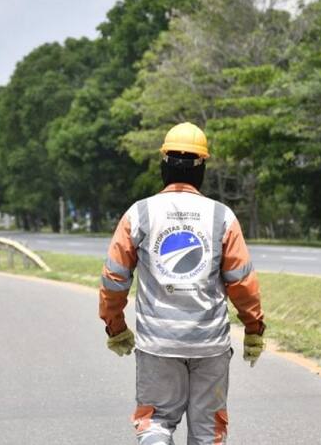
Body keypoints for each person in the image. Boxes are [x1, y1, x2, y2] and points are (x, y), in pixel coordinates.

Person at [99, 122, 265, 445]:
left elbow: (114, 279)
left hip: (157, 346)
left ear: (163, 163)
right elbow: (242, 283)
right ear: (201, 167)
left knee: (155, 424)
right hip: (211, 347)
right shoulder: (222, 217)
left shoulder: (139, 214)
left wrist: (115, 326)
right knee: (208, 434)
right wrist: (254, 328)